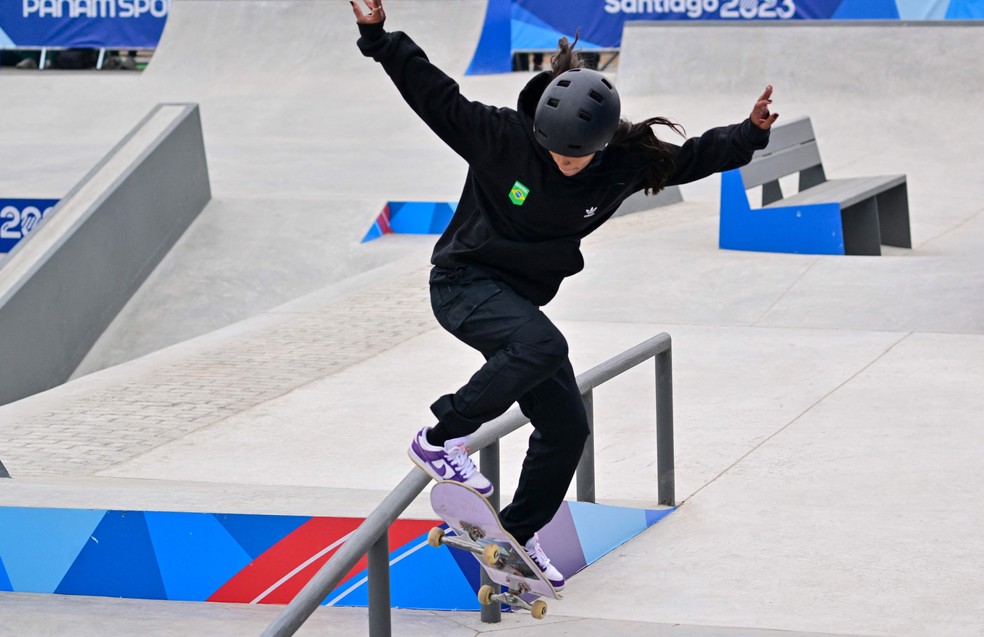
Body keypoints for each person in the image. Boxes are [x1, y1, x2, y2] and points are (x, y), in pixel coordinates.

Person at [349, 0, 778, 591]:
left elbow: (693, 158)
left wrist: (749, 134)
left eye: (576, 157)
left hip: (519, 304)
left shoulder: (622, 163)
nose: (565, 164)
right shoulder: (500, 137)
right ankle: (439, 439)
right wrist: (379, 36)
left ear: (601, 145)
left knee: (567, 425)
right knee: (542, 346)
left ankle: (517, 537)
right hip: (461, 283)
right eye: (555, 153)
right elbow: (434, 95)